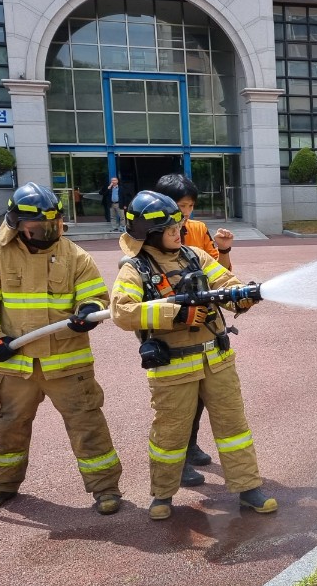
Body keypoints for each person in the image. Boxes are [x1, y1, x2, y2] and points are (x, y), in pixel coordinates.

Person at [109, 190, 276, 521]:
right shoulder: (135, 269)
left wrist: (243, 297)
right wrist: (177, 315)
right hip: (172, 368)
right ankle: (162, 495)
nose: (179, 232)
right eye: (172, 228)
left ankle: (248, 489)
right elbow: (122, 312)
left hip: (217, 360)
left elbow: (226, 285)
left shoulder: (195, 256)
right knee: (169, 434)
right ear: (151, 234)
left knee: (234, 426)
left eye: (179, 226)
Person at [0, 182, 123, 515]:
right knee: (9, 425)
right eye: (40, 227)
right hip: (16, 366)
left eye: (55, 225)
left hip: (68, 365)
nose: (50, 232)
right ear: (19, 223)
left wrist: (88, 312)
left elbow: (96, 296)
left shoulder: (75, 256)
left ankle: (106, 489)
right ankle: (2, 485)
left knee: (87, 425)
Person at [152, 173, 235, 488]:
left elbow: (223, 278)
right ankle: (179, 459)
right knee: (177, 400)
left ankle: (191, 444)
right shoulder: (147, 234)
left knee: (202, 394)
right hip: (171, 329)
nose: (185, 212)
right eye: (179, 205)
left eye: (189, 205)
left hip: (205, 325)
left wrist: (224, 250)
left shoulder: (199, 231)